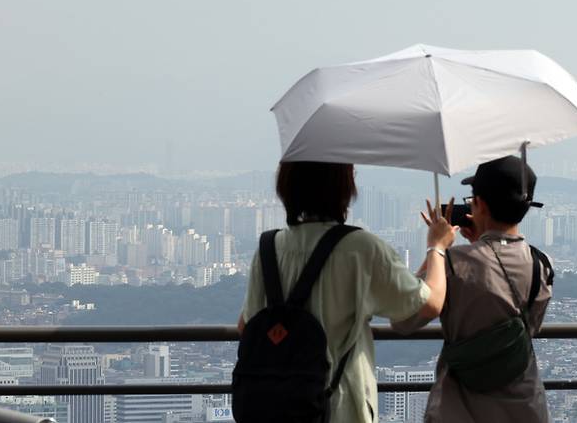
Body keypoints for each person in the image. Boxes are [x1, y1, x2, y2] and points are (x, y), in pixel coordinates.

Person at [237, 161, 457, 423]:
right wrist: (437, 247)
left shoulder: (268, 248)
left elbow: (247, 326)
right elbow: (429, 303)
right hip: (340, 407)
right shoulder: (361, 248)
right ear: (342, 186)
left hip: (276, 409)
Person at [393, 155, 554, 422]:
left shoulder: (455, 263)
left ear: (478, 204)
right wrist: (481, 243)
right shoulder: (542, 264)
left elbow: (403, 319)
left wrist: (436, 248)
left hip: (460, 408)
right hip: (525, 407)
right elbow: (520, 327)